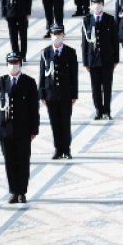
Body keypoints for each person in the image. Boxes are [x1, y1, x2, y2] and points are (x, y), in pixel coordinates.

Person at [0, 52, 40, 204]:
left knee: (23, 161)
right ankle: (13, 191)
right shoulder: (0, 82)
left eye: (16, 62)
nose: (13, 65)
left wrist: (34, 129)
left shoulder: (29, 82)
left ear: (20, 64)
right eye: (11, 62)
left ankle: (22, 192)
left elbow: (34, 108)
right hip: (5, 129)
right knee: (10, 161)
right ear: (6, 64)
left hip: (23, 129)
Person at [39, 24, 79, 160]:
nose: (56, 37)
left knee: (65, 123)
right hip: (51, 94)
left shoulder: (70, 52)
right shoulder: (45, 53)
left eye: (59, 34)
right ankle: (58, 149)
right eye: (54, 34)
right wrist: (42, 94)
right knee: (55, 123)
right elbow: (42, 75)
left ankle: (66, 150)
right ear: (50, 35)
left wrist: (74, 95)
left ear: (63, 35)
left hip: (65, 94)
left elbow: (74, 75)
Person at [81, 0, 119, 120]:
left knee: (107, 87)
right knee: (96, 87)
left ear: (103, 4)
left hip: (107, 59)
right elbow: (84, 43)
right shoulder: (87, 20)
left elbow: (115, 41)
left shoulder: (109, 19)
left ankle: (107, 111)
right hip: (93, 60)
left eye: (99, 2)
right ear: (91, 5)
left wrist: (116, 59)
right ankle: (98, 110)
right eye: (94, 3)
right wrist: (85, 61)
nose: (96, 5)